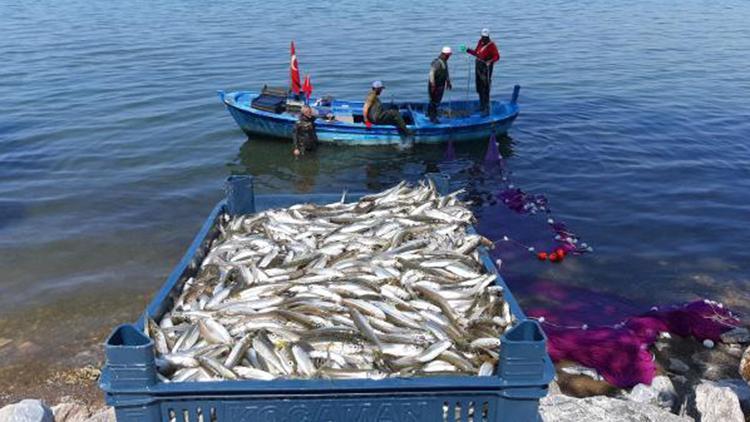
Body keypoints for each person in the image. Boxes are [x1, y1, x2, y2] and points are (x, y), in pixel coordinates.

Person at [466, 28, 500, 115]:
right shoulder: (480, 42)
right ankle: (482, 105)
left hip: (486, 69)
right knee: (479, 87)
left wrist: (490, 61)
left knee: (485, 87)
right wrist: (468, 50)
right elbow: (477, 53)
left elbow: (497, 56)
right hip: (478, 68)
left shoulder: (492, 45)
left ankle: (486, 108)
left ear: (488, 36)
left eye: (485, 37)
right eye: (482, 37)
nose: (483, 38)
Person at [427, 46, 453, 123]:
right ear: (445, 54)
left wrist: (448, 81)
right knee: (433, 101)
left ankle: (432, 114)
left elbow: (446, 71)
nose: (449, 57)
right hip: (435, 85)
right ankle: (432, 118)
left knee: (437, 101)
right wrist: (432, 84)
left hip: (440, 85)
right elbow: (431, 73)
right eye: (448, 55)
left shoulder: (444, 61)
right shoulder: (437, 62)